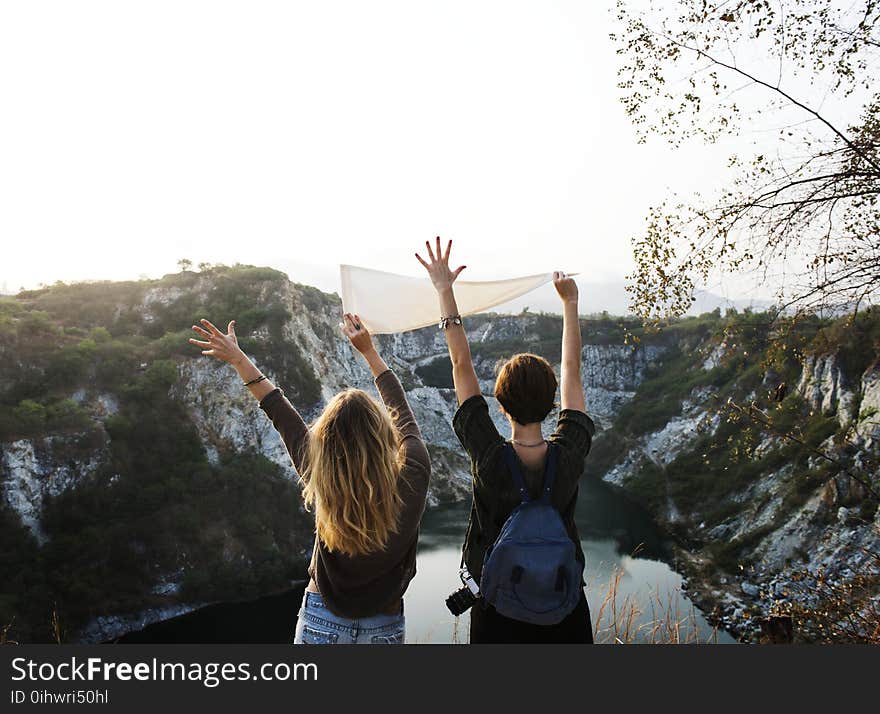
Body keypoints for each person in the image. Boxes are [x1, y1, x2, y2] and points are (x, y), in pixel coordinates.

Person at [188, 313, 430, 644]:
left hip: (322, 619)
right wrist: (369, 353)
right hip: (383, 624)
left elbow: (276, 408)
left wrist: (238, 358)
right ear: (382, 434)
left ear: (325, 440)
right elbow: (402, 411)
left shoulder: (319, 471)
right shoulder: (414, 473)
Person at [416, 237, 596, 644]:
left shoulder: (490, 459)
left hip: (497, 610)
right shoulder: (568, 456)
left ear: (500, 404)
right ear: (552, 404)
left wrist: (444, 292)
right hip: (564, 607)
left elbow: (461, 365)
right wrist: (570, 303)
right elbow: (572, 371)